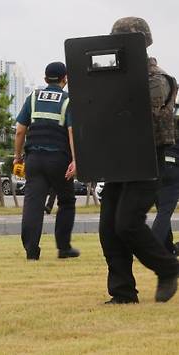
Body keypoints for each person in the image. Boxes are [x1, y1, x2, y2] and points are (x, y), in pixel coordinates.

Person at [99, 17, 179, 304]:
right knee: (108, 228)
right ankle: (123, 293)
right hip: (118, 159)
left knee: (127, 223)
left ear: (141, 44)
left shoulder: (158, 79)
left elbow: (146, 115)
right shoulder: (113, 78)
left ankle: (168, 268)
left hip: (149, 159)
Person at [13, 61, 80, 260]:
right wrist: (76, 160)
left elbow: (19, 131)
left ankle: (31, 250)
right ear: (65, 79)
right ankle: (63, 247)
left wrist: (17, 157)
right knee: (67, 201)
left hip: (33, 159)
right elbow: (72, 131)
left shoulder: (33, 97)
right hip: (58, 160)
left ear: (45, 79)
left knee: (33, 204)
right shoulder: (68, 101)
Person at [152, 133, 179, 255]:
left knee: (162, 210)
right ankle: (152, 246)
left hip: (157, 167)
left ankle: (168, 246)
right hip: (173, 165)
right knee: (165, 211)